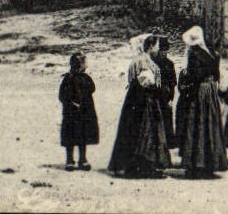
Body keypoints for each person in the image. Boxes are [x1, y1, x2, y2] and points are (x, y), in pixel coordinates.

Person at [109, 33, 171, 178]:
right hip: (144, 102)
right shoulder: (143, 62)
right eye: (156, 45)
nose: (157, 48)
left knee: (135, 131)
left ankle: (136, 165)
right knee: (146, 133)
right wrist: (160, 91)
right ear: (150, 46)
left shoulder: (140, 60)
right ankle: (144, 166)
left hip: (135, 101)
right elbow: (145, 83)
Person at [178, 25, 228, 177]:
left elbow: (195, 75)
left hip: (199, 91)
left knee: (196, 124)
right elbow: (217, 75)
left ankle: (196, 164)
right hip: (210, 90)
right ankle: (210, 163)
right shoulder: (212, 53)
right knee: (210, 124)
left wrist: (186, 82)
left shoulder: (194, 54)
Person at [58, 51, 99, 172]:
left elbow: (92, 88)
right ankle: (70, 160)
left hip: (84, 112)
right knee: (71, 137)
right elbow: (62, 96)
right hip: (72, 113)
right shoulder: (68, 79)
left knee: (83, 136)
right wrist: (71, 102)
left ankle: (82, 159)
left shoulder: (85, 78)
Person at [154, 37, 177, 153]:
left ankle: (168, 143)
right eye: (161, 50)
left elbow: (173, 83)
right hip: (156, 93)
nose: (163, 52)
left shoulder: (170, 64)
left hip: (166, 94)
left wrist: (171, 98)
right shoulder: (153, 62)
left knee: (167, 117)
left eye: (165, 50)